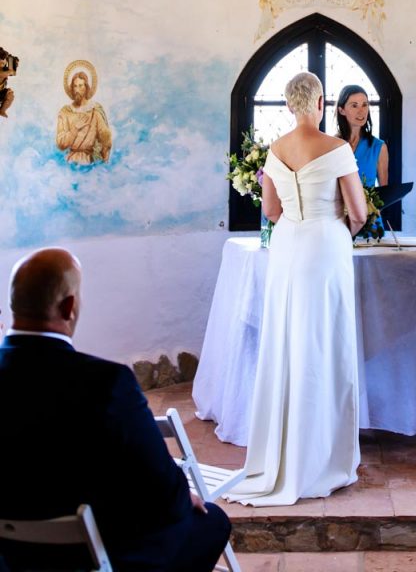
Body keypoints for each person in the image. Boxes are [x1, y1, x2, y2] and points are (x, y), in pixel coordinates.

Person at [0, 248, 231, 572]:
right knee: (213, 521)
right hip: (100, 555)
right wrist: (182, 498)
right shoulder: (106, 382)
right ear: (69, 307)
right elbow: (160, 484)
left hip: (12, 556)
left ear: (13, 304)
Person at [228, 71, 367, 506]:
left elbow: (270, 210)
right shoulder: (338, 148)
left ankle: (281, 453)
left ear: (290, 105)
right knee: (324, 344)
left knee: (287, 344)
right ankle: (321, 458)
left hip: (288, 246)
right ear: (321, 102)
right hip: (325, 244)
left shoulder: (275, 150)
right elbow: (360, 212)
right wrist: (337, 219)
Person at [336, 82, 388, 198]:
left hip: (370, 215)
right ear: (341, 110)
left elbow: (384, 195)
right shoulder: (330, 146)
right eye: (354, 106)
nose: (361, 111)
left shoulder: (379, 147)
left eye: (364, 105)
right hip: (336, 215)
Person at [56, 70, 112, 164]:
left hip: (89, 162)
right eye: (75, 86)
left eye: (80, 86)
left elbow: (106, 139)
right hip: (70, 162)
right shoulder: (65, 112)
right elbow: (61, 143)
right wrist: (74, 129)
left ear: (86, 87)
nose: (77, 90)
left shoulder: (95, 111)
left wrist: (104, 159)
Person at [0, 47, 18, 119]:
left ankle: (2, 110)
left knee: (10, 95)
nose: (3, 63)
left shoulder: (5, 69)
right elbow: (4, 74)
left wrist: (12, 62)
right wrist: (10, 71)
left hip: (0, 91)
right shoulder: (3, 72)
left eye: (4, 62)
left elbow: (13, 73)